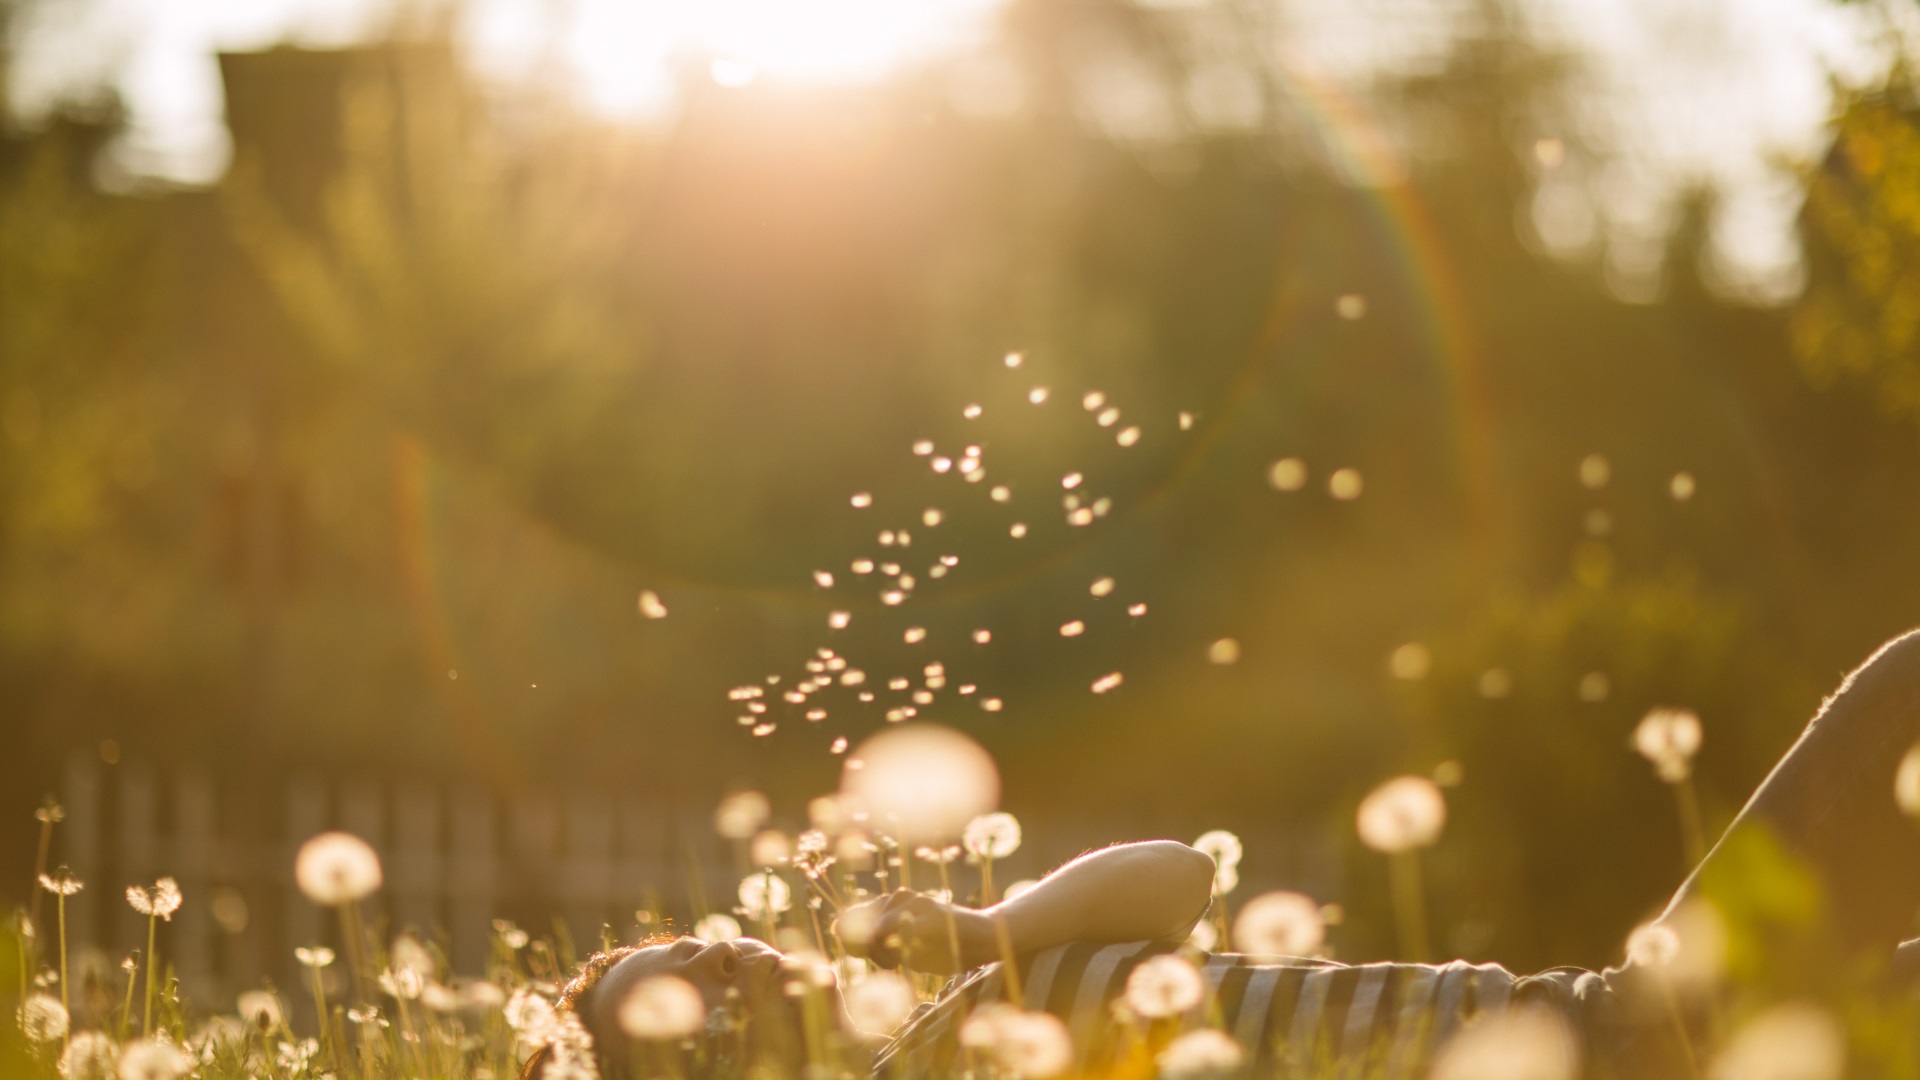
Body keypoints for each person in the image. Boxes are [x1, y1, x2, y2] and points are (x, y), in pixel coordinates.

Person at [533, 629, 1920, 1079]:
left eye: (700, 938)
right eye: (695, 977)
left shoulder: (962, 1015)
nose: (726, 947)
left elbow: (1180, 883)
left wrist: (979, 931)